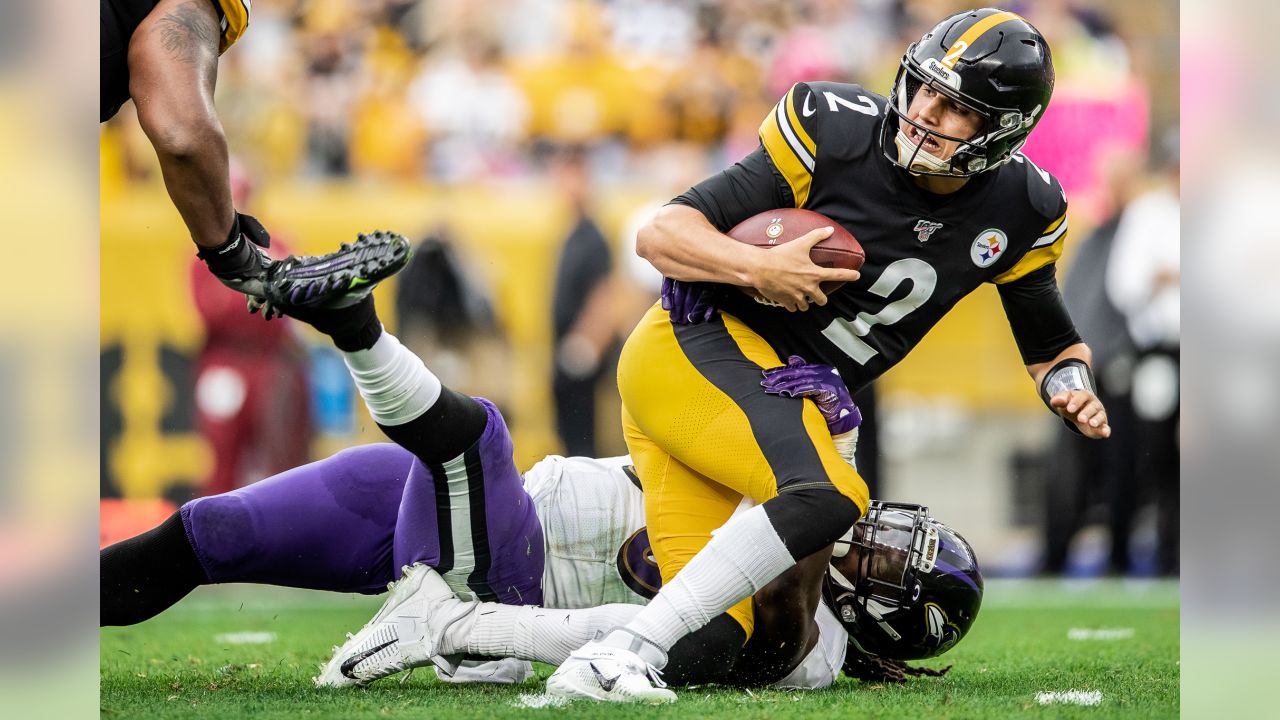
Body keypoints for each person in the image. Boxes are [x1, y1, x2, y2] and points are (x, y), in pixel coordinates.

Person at [546, 8, 1110, 703]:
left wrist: (1070, 384)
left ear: (1003, 130)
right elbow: (661, 233)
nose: (923, 112)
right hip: (695, 348)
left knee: (718, 642)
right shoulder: (835, 128)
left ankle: (467, 633)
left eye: (955, 106)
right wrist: (757, 270)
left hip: (772, 396)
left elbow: (1051, 344)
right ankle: (615, 658)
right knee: (831, 496)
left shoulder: (1025, 205)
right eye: (923, 88)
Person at [100, 254, 983, 696]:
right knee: (206, 535)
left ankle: (356, 326)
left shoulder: (809, 650)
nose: (869, 536)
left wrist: (479, 629)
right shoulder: (817, 479)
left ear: (881, 620)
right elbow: (796, 469)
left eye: (884, 565)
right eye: (896, 531)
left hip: (503, 578)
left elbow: (627, 632)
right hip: (484, 516)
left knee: (473, 432)